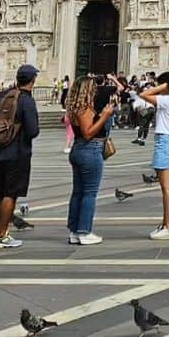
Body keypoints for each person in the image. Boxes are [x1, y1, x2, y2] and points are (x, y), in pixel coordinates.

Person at [0, 63, 41, 250]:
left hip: (0, 150)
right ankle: (2, 235)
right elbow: (33, 131)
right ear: (32, 80)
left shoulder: (1, 96)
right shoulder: (26, 100)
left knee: (0, 192)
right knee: (11, 193)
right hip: (18, 152)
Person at [133, 71, 169, 239]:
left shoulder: (166, 100)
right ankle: (166, 224)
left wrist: (162, 86)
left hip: (165, 142)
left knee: (167, 189)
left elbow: (143, 94)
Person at [65, 75, 116, 245]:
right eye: (93, 87)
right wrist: (105, 116)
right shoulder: (84, 109)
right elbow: (88, 133)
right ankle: (84, 231)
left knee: (78, 192)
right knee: (89, 193)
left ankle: (74, 231)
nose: (96, 90)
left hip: (79, 150)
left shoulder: (74, 108)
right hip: (90, 149)